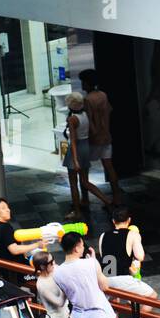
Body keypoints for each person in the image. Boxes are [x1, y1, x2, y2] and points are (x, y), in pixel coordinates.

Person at [64, 91, 109, 217]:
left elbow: (72, 140)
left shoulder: (72, 119)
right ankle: (103, 200)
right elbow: (92, 131)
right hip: (85, 147)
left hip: (76, 149)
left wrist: (75, 159)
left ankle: (77, 211)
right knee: (85, 181)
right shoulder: (85, 115)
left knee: (73, 183)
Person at [79, 69, 122, 199]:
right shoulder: (103, 95)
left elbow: (89, 120)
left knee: (83, 170)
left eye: (83, 82)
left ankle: (85, 199)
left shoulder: (87, 99)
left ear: (87, 83)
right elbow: (109, 110)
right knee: (109, 167)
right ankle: (117, 197)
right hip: (106, 136)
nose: (82, 84)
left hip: (93, 139)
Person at [0, 198, 46, 267]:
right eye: (3, 208)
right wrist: (37, 245)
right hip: (15, 269)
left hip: (2, 267)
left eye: (8, 208)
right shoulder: (4, 227)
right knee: (45, 260)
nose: (8, 210)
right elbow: (14, 250)